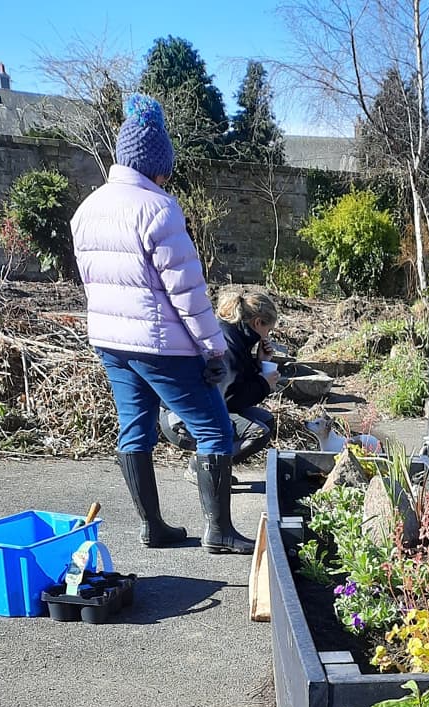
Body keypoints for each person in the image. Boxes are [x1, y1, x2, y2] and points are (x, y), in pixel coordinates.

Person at [70, 93, 252, 555]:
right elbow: (188, 294)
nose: (167, 176)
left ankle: (153, 526)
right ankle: (219, 531)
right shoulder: (159, 209)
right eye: (166, 168)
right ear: (156, 165)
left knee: (135, 427)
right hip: (161, 343)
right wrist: (213, 349)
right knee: (214, 430)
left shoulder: (86, 209)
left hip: (110, 341)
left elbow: (92, 282)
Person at [159, 288, 281, 478]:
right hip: (179, 418)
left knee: (265, 420)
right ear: (258, 322)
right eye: (268, 330)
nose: (267, 336)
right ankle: (204, 468)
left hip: (195, 408)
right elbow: (229, 398)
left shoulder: (235, 336)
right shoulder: (227, 342)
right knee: (258, 432)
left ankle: (213, 467)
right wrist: (263, 383)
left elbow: (233, 383)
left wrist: (259, 363)